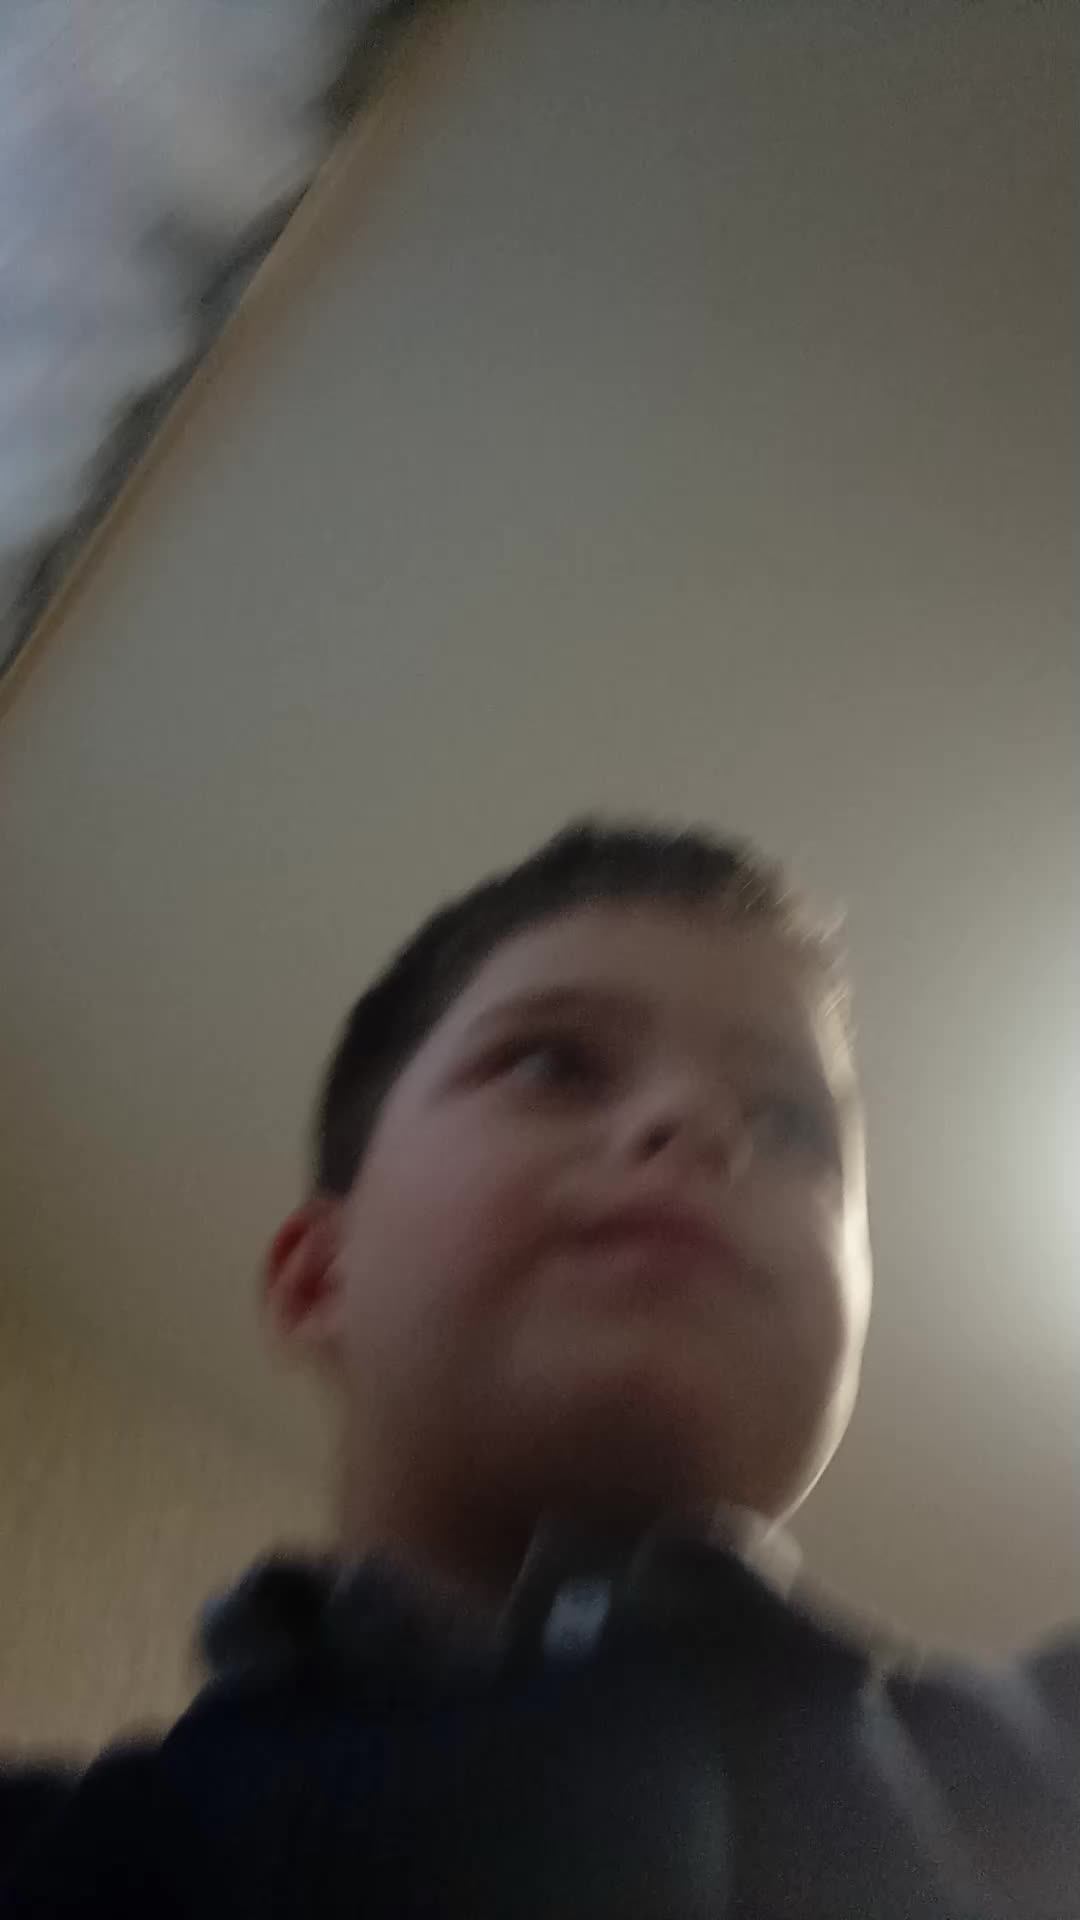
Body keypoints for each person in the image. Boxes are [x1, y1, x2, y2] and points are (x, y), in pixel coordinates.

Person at [2, 819, 1075, 1917]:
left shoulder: (1039, 1801)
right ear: (320, 1277)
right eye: (554, 1064)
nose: (701, 1123)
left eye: (792, 1125)